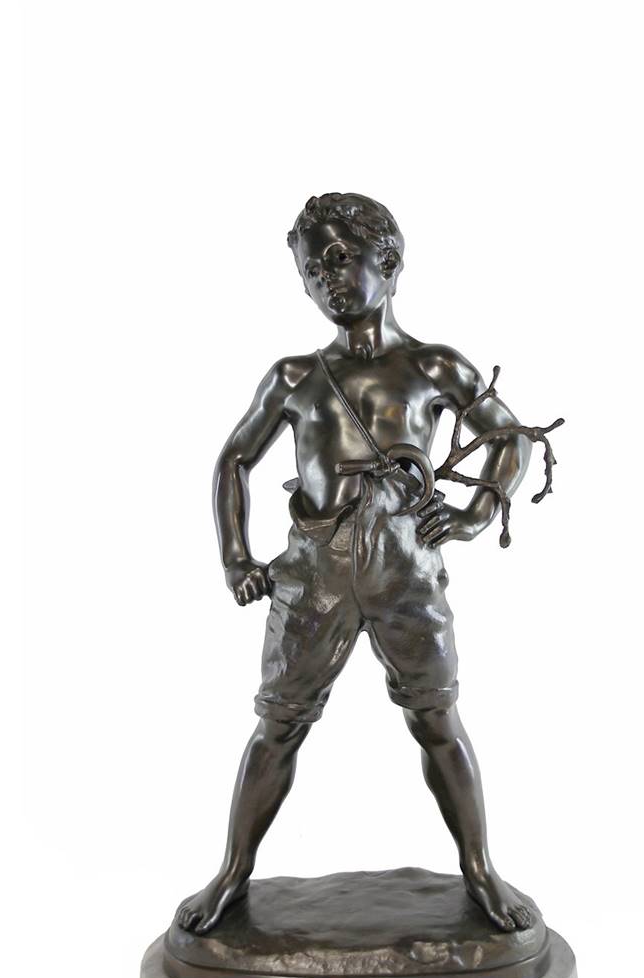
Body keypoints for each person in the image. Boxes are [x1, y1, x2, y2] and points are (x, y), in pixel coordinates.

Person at [176, 193, 537, 934]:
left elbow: (511, 438)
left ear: (390, 261)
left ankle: (479, 870)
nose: (327, 279)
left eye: (340, 259)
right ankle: (233, 873)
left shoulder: (433, 365)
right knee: (278, 725)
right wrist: (236, 558)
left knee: (436, 716)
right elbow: (233, 461)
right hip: (313, 572)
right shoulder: (293, 377)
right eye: (312, 271)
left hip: (406, 566)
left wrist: (474, 514)